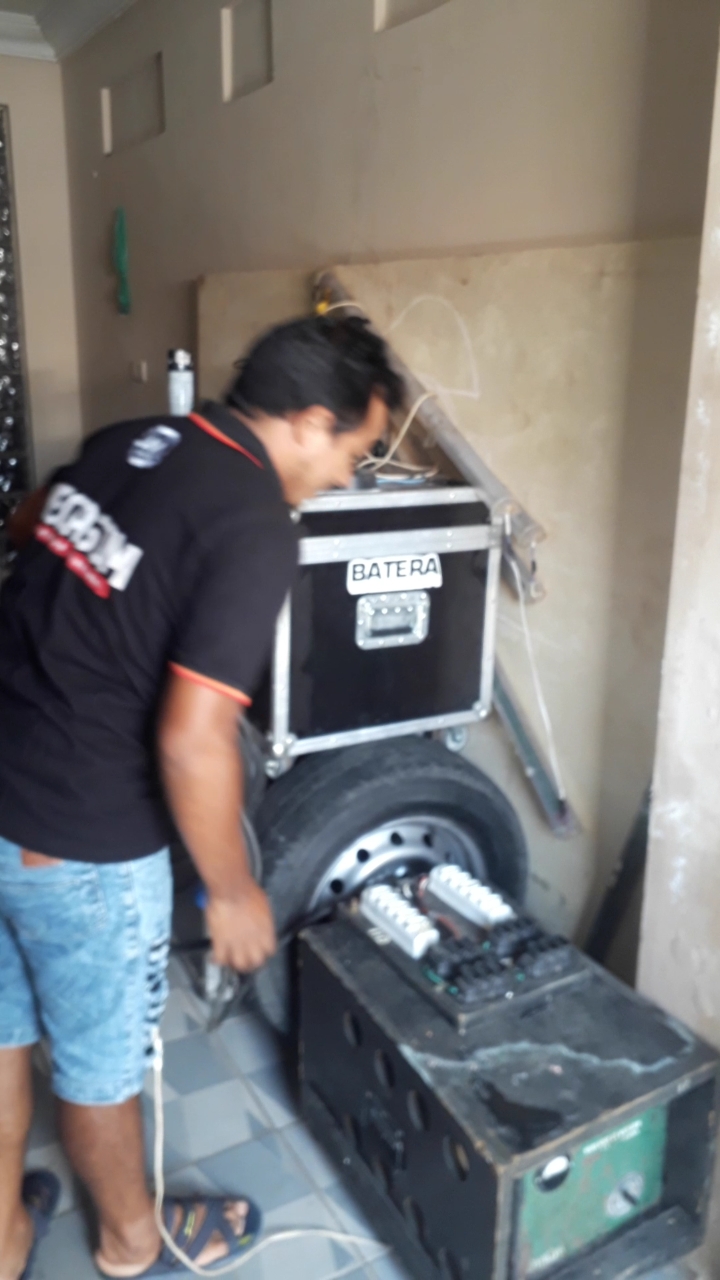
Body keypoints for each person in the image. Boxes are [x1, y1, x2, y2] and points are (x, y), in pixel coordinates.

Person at [0, 315, 403, 1280]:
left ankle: (6, 1237)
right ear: (310, 422)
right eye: (354, 453)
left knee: (4, 1034)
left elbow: (29, 520)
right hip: (79, 840)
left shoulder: (133, 439)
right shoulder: (254, 525)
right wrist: (231, 889)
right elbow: (193, 737)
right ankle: (132, 1243)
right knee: (99, 1067)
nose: (345, 476)